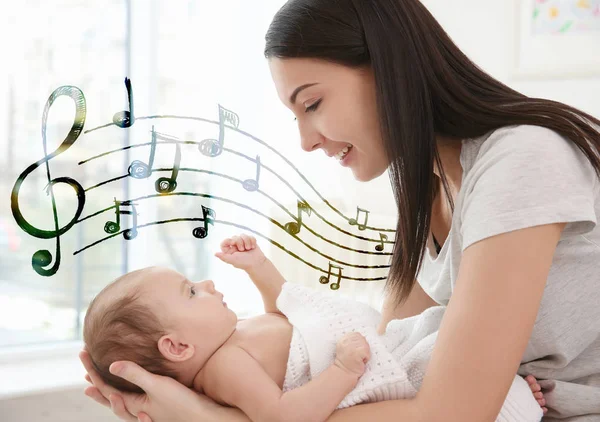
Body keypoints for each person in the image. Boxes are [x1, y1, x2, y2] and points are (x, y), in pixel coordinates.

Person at [80, 0, 600, 420]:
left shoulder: (522, 160)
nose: (306, 141)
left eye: (312, 104)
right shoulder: (422, 180)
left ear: (388, 68)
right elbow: (386, 356)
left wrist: (214, 418)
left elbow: (451, 412)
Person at [83, 234, 545, 422]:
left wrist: (259, 267)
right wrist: (342, 371)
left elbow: (286, 313)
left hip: (379, 346)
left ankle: (506, 387)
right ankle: (513, 401)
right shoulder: (223, 367)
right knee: (436, 365)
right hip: (366, 373)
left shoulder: (233, 337)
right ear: (178, 346)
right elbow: (283, 416)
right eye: (190, 293)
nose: (205, 283)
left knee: (434, 330)